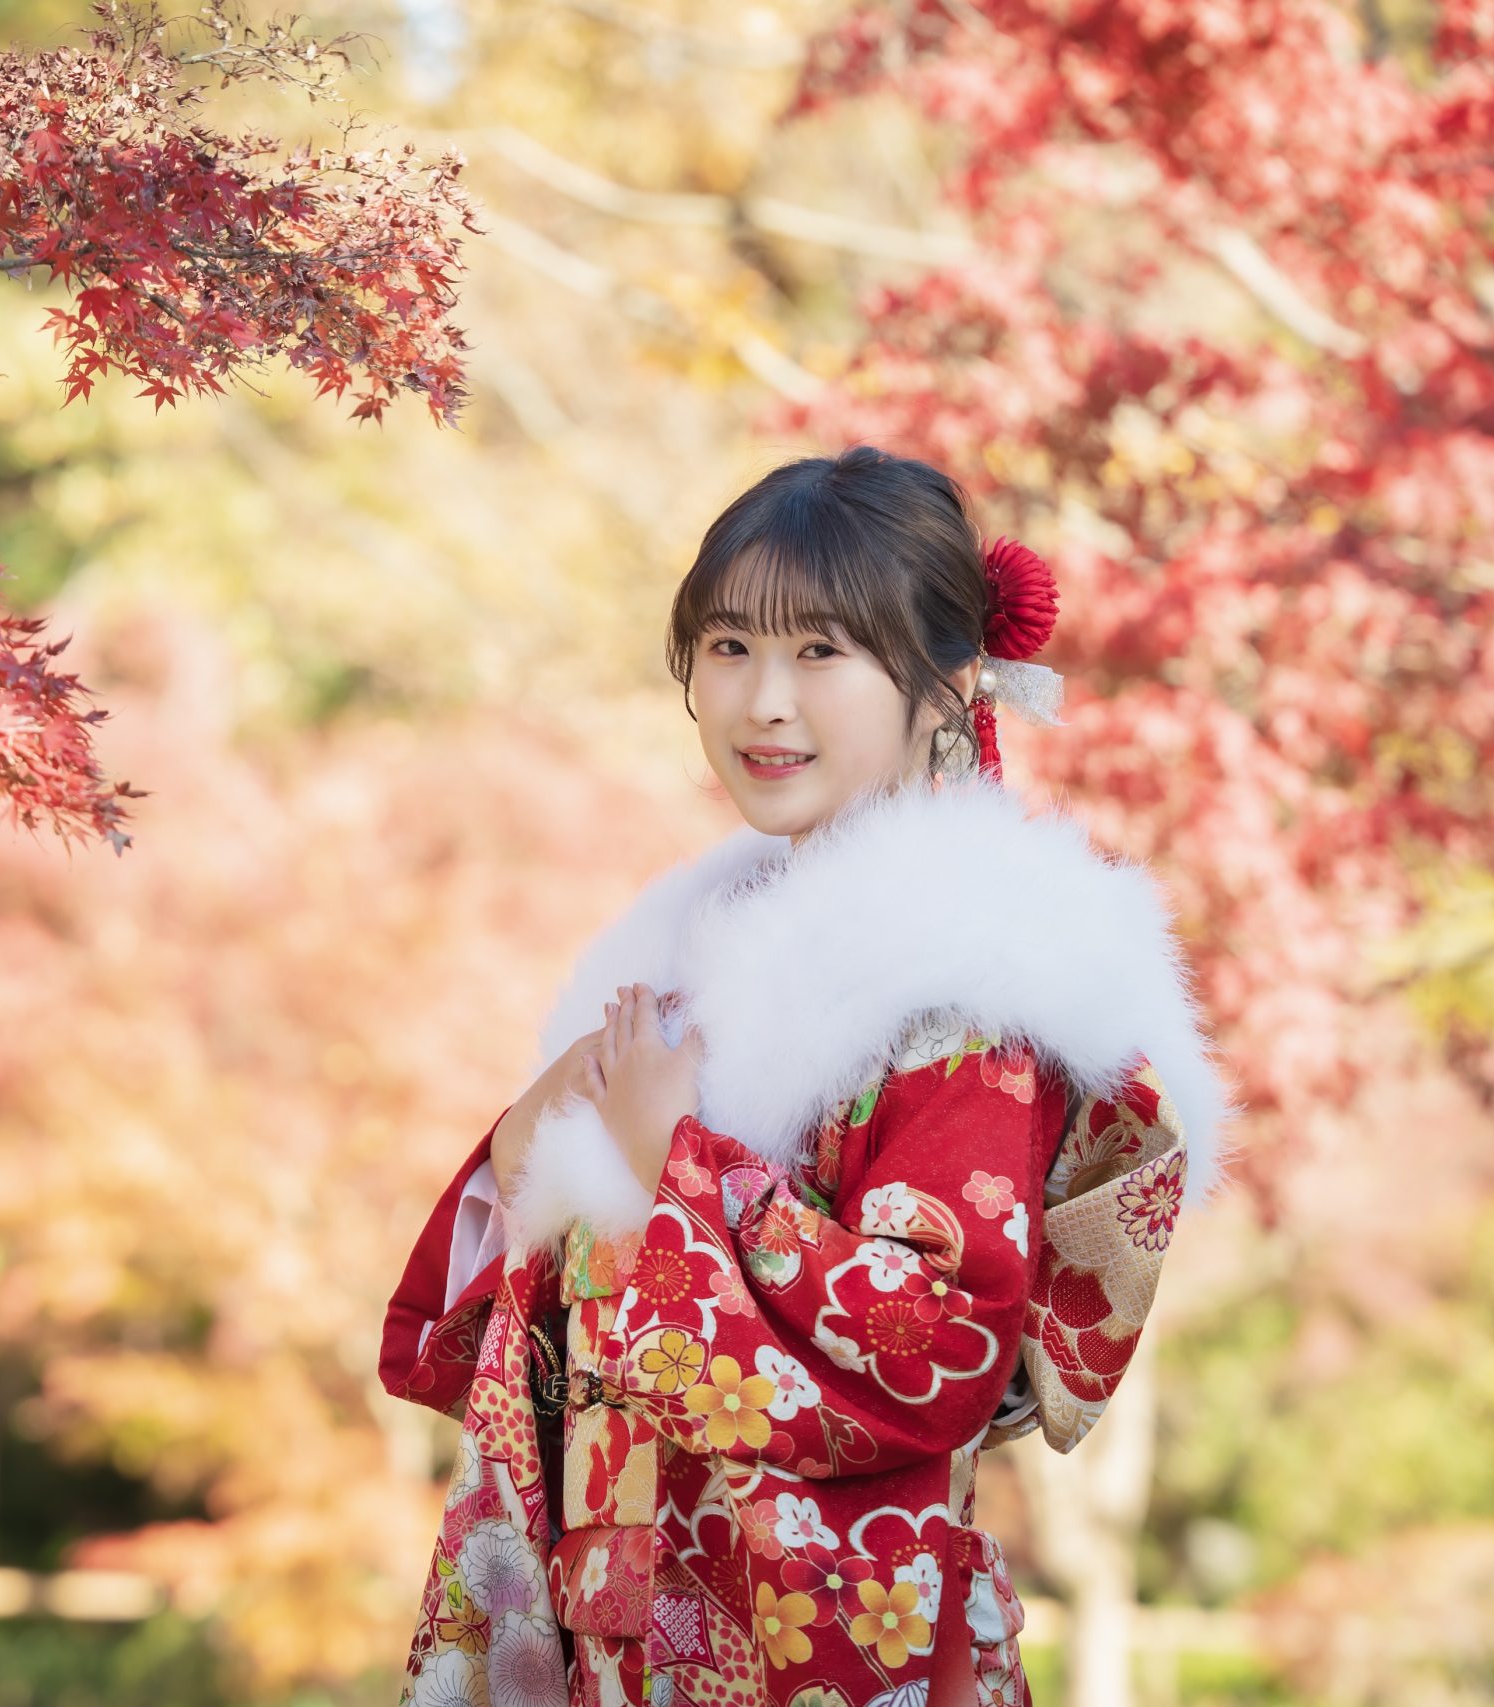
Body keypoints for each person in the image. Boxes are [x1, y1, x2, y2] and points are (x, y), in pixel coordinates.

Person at [377, 445, 1235, 1707]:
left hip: (822, 1635)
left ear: (946, 685)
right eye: (728, 647)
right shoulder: (681, 960)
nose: (762, 701)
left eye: (820, 651)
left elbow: (933, 1348)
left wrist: (675, 1166)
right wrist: (526, 1162)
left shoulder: (962, 993)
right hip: (620, 1634)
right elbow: (537, 1351)